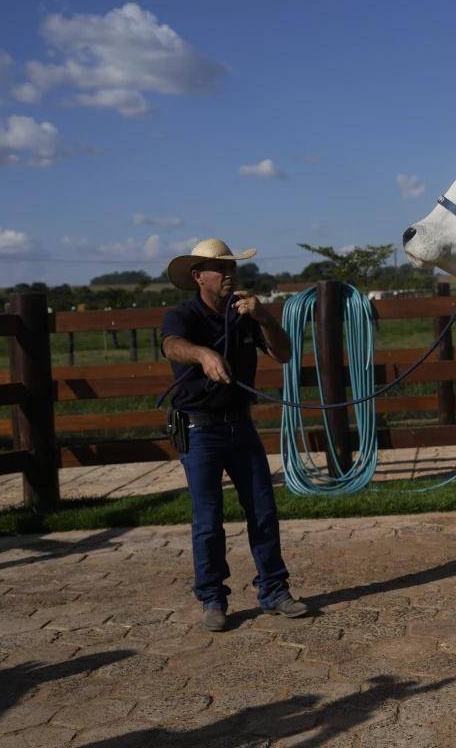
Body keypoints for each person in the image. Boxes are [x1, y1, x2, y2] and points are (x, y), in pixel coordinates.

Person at [161, 238, 308, 631]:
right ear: (198, 277)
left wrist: (265, 319)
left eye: (232, 269)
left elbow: (284, 354)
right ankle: (212, 598)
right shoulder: (182, 315)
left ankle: (274, 590)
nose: (229, 275)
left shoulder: (245, 313)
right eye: (220, 269)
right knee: (208, 519)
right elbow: (172, 346)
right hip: (200, 428)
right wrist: (204, 355)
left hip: (240, 424)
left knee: (262, 509)